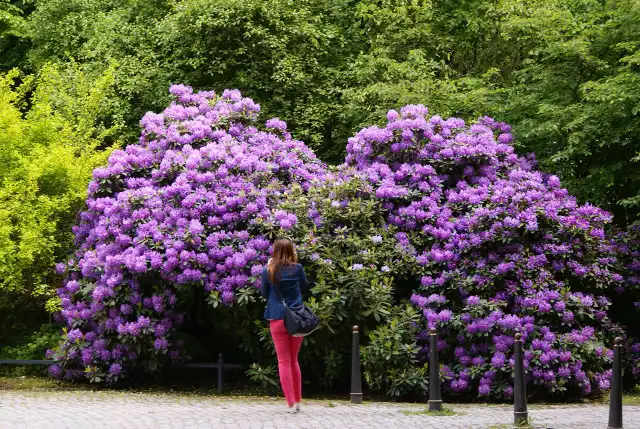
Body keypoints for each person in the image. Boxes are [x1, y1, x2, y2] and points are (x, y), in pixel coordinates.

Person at [261, 238, 310, 413]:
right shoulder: (298, 268)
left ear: (274, 251)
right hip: (297, 318)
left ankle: (290, 402)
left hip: (277, 317)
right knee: (294, 360)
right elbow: (305, 286)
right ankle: (297, 401)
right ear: (291, 250)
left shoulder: (268, 270)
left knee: (284, 361)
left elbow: (264, 294)